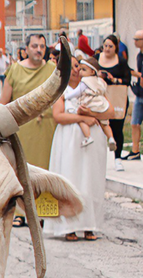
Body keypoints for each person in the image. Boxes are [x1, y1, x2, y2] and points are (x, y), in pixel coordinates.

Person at [44, 53, 111, 241]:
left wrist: (93, 113)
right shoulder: (62, 90)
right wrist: (83, 118)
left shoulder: (93, 88)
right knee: (71, 178)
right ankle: (69, 226)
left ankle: (90, 225)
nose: (76, 70)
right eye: (73, 66)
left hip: (93, 139)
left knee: (91, 180)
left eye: (79, 66)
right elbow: (58, 116)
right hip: (69, 139)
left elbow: (109, 111)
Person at [0, 32, 57, 225]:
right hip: (21, 129)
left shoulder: (52, 69)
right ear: (26, 49)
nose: (39, 50)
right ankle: (18, 212)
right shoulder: (15, 70)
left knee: (44, 171)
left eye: (42, 46)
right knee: (20, 171)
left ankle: (42, 212)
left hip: (46, 128)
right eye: (35, 46)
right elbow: (3, 102)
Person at [96, 34, 131, 172]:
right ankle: (99, 158)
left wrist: (114, 79)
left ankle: (117, 158)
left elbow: (127, 80)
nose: (107, 49)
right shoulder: (97, 58)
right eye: (105, 46)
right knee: (99, 129)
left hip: (117, 98)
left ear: (116, 47)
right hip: (100, 99)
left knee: (117, 128)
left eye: (110, 46)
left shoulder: (121, 61)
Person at [72, 56, 114, 150]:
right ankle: (111, 138)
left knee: (83, 119)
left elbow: (111, 112)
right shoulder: (99, 82)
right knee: (105, 124)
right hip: (100, 106)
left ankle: (88, 137)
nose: (78, 71)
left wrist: (90, 113)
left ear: (92, 71)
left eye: (82, 69)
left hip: (94, 132)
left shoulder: (85, 82)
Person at [122, 29, 143, 161]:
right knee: (135, 123)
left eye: (137, 40)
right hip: (139, 94)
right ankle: (135, 150)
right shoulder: (139, 56)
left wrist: (137, 75)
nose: (135, 42)